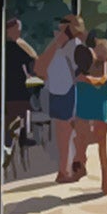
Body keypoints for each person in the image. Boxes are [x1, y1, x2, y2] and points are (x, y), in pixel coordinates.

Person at [37, 14, 86, 183]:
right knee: (62, 134)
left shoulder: (75, 47)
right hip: (56, 92)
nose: (57, 32)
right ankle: (68, 169)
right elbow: (40, 68)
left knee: (65, 133)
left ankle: (66, 171)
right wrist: (55, 44)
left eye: (62, 29)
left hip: (68, 92)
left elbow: (81, 72)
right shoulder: (58, 48)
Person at [71, 43, 107, 195]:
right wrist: (105, 76)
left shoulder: (79, 79)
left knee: (80, 143)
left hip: (83, 115)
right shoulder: (104, 83)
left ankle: (80, 167)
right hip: (100, 116)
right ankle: (106, 180)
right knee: (102, 149)